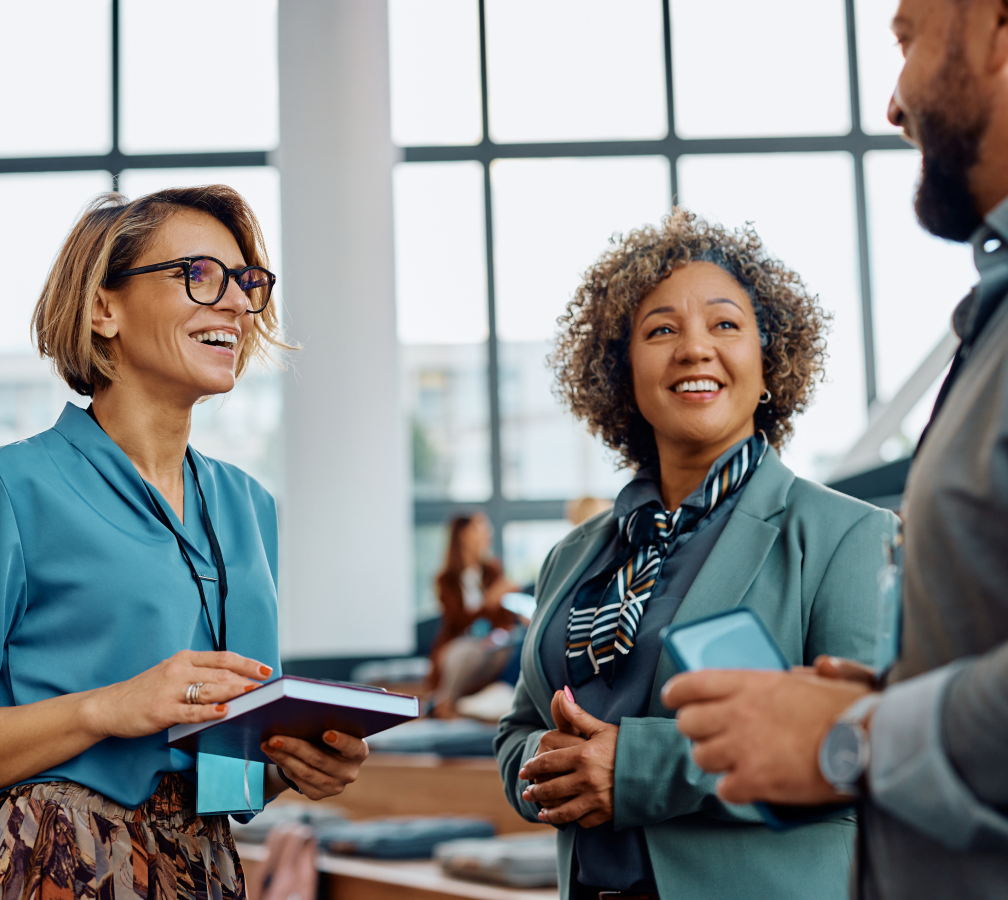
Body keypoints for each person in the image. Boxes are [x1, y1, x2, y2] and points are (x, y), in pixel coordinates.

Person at [0, 187, 372, 900]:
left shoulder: (248, 506)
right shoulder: (6, 489)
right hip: (52, 864)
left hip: (205, 868)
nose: (234, 302)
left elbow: (226, 780)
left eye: (246, 283)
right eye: (199, 275)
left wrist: (288, 766)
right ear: (103, 308)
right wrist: (104, 708)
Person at [662, 1, 1008, 896]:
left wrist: (856, 732)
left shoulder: (835, 528)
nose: (894, 104)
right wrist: (888, 697)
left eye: (908, 40)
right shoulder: (990, 323)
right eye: (658, 330)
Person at [494, 210, 898, 900]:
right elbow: (517, 731)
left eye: (725, 325)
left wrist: (634, 770)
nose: (693, 349)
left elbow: (864, 751)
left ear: (769, 364)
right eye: (660, 330)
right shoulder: (574, 558)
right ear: (623, 375)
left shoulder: (847, 537)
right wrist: (546, 767)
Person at [427, 514, 520, 717]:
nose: (487, 533)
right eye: (480, 528)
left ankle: (453, 703)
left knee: (517, 644)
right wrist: (489, 602)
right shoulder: (446, 580)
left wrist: (510, 602)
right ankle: (446, 702)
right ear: (463, 535)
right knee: (466, 652)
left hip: (492, 644)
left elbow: (504, 619)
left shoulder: (492, 571)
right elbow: (456, 621)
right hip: (459, 645)